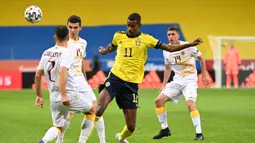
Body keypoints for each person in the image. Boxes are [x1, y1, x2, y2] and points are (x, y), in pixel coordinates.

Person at [95, 13, 203, 143]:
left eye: (133, 26)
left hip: (132, 84)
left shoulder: (147, 39)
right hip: (115, 78)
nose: (130, 28)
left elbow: (169, 48)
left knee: (131, 127)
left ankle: (121, 138)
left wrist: (191, 44)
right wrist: (104, 52)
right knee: (99, 109)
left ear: (139, 25)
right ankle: (87, 140)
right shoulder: (119, 35)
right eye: (128, 25)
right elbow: (112, 47)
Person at [35, 25, 95, 143]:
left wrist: (39, 96)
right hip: (68, 95)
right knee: (92, 110)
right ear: (68, 37)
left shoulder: (46, 53)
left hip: (53, 97)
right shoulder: (68, 53)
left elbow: (38, 75)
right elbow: (63, 72)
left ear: (54, 37)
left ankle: (43, 141)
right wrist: (64, 95)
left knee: (58, 126)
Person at [55, 15, 106, 143]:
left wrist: (84, 79)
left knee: (97, 108)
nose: (72, 30)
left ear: (80, 27)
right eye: (70, 27)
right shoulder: (64, 44)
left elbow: (81, 62)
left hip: (81, 81)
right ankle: (60, 139)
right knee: (67, 115)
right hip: (69, 82)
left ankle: (101, 141)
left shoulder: (83, 42)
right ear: (67, 26)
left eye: (75, 27)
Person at [153, 26, 209, 141]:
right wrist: (163, 84)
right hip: (177, 81)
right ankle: (165, 130)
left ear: (178, 35)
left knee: (190, 104)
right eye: (169, 35)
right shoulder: (166, 51)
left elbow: (202, 59)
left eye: (173, 34)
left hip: (190, 81)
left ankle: (199, 133)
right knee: (158, 101)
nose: (171, 37)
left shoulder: (188, 46)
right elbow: (168, 68)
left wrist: (203, 75)